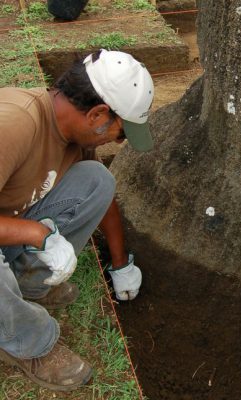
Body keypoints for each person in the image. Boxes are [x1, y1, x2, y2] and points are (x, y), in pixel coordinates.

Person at [0, 49, 154, 391]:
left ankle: (24, 282)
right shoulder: (13, 125)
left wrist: (119, 263)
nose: (117, 140)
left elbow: (102, 195)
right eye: (120, 133)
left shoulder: (72, 134)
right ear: (99, 114)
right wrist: (37, 233)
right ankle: (28, 344)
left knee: (97, 179)